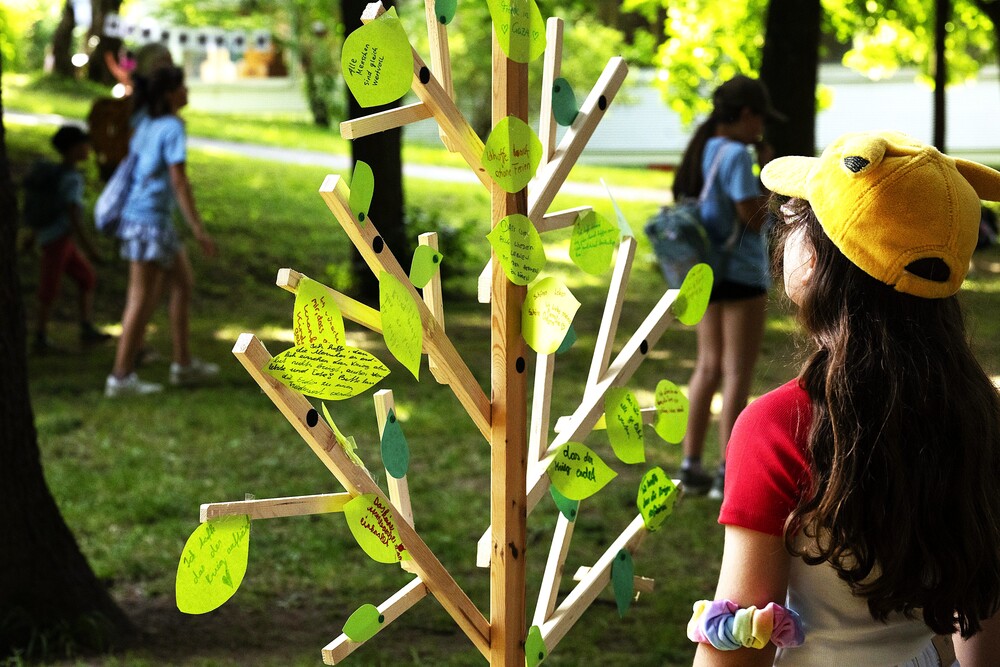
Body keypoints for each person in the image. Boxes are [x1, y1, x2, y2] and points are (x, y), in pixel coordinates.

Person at [687, 130, 1000, 666]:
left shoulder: (779, 424)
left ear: (813, 260)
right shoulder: (981, 414)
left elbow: (740, 648)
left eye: (794, 217)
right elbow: (985, 620)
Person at [672, 75, 784, 499]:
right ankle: (726, 472)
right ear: (746, 114)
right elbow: (750, 215)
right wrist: (771, 190)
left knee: (707, 366)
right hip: (738, 272)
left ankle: (691, 464)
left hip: (704, 270)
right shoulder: (738, 153)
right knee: (737, 370)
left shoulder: (704, 146)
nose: (761, 128)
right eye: (759, 119)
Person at [105, 65, 219, 397]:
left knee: (183, 284)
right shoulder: (170, 127)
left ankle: (182, 364)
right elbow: (179, 181)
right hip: (148, 222)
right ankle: (121, 376)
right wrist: (198, 228)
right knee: (140, 299)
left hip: (153, 221)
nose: (187, 92)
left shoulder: (146, 123)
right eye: (182, 87)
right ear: (170, 94)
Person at [22, 125, 111, 353]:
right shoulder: (70, 178)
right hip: (57, 239)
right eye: (84, 145)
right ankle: (40, 337)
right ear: (72, 149)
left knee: (86, 278)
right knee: (49, 287)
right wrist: (89, 246)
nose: (88, 149)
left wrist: (33, 235)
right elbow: (73, 214)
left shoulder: (59, 173)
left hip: (59, 238)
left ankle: (86, 327)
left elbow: (47, 206)